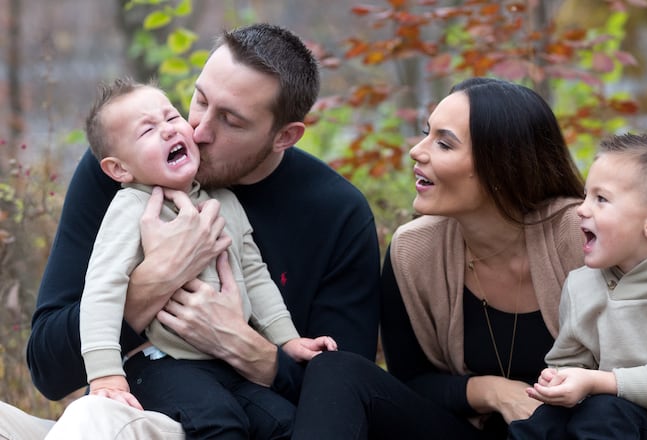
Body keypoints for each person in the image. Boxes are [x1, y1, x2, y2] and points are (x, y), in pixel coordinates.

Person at [290, 78, 647, 440]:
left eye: (444, 143)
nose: (418, 151)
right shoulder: (415, 251)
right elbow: (412, 382)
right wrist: (493, 392)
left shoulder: (586, 233)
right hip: (491, 430)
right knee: (336, 370)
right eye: (426, 133)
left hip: (595, 428)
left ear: (501, 164)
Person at [13, 22, 380, 439]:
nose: (197, 131)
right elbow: (48, 369)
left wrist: (248, 347)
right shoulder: (124, 174)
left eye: (231, 121)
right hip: (141, 409)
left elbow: (348, 403)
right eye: (199, 100)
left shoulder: (337, 214)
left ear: (284, 136)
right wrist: (157, 280)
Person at [79, 77, 338, 438]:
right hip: (160, 363)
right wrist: (105, 372)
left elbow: (254, 271)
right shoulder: (131, 206)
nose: (169, 131)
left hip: (228, 364)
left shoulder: (225, 201)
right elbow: (103, 287)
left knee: (284, 422)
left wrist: (287, 339)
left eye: (171, 117)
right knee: (218, 423)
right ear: (119, 169)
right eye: (148, 130)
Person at [507, 133, 647, 439]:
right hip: (598, 412)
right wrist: (559, 379)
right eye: (586, 195)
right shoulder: (581, 283)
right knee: (541, 424)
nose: (581, 209)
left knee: (604, 413)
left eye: (601, 199)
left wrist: (595, 382)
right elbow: (572, 358)